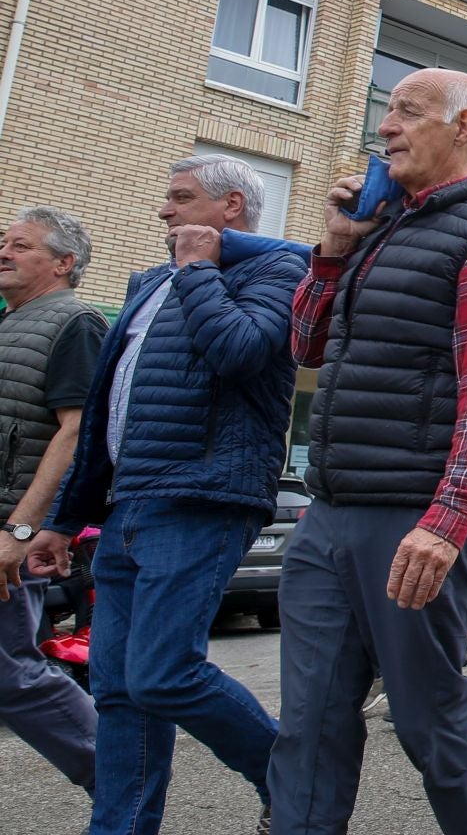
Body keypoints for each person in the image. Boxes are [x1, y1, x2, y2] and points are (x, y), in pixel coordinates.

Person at [269, 68, 467, 834]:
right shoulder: (380, 231)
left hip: (412, 518)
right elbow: (306, 345)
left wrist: (449, 519)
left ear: (461, 130)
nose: (385, 126)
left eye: (406, 112)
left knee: (428, 720)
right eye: (385, 109)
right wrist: (334, 248)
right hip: (329, 516)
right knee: (309, 723)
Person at [27, 161, 303, 834]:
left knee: (162, 674)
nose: (164, 213)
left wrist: (200, 271)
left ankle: (295, 781)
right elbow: (104, 412)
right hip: (127, 505)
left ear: (231, 206)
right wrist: (64, 519)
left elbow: (239, 351)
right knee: (118, 690)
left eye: (181, 200)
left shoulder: (279, 273)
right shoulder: (149, 283)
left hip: (202, 497)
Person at [0, 207, 104, 794]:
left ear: (63, 264)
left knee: (11, 671)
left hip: (7, 527)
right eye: (2, 242)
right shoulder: (10, 322)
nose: (4, 251)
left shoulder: (73, 322)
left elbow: (75, 432)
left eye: (21, 245)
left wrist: (19, 531)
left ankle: (118, 780)